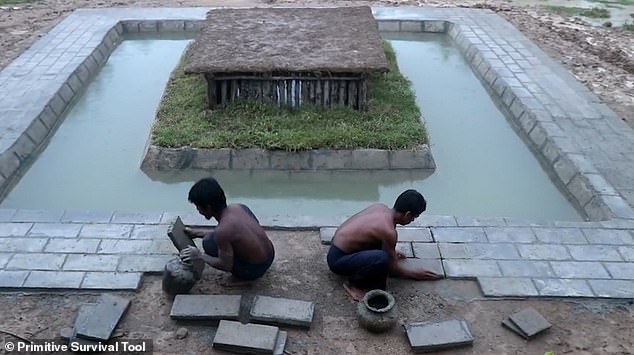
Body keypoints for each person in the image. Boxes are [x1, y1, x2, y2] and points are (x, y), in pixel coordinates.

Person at [327, 189, 440, 301]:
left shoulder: (380, 207)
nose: (413, 220)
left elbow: (371, 235)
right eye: (414, 217)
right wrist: (415, 274)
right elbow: (394, 271)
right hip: (337, 260)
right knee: (381, 259)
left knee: (383, 256)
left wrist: (392, 253)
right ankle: (353, 285)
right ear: (407, 214)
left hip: (338, 245)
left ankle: (365, 265)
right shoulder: (389, 231)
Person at [180, 177, 275, 285]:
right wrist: (196, 233)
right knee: (214, 238)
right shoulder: (239, 207)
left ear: (208, 207)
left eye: (198, 207)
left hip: (255, 270)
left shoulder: (223, 231)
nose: (198, 210)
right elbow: (237, 233)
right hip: (270, 256)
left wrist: (200, 256)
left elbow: (225, 265)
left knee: (209, 243)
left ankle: (244, 279)